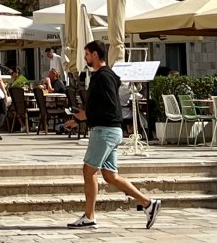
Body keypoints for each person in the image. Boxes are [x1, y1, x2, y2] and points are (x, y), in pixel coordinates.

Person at [68, 41, 161, 230]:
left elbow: (108, 106)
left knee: (88, 170)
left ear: (95, 54)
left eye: (86, 54)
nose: (85, 57)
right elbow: (103, 105)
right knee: (110, 175)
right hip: (111, 130)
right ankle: (148, 203)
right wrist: (79, 118)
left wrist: (84, 116)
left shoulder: (102, 77)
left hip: (104, 131)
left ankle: (89, 216)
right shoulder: (107, 76)